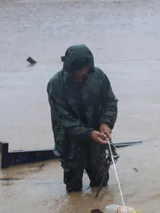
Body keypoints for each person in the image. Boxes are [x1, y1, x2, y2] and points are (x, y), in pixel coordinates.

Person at [47, 44, 119, 192]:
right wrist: (90, 134)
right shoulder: (56, 85)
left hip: (96, 145)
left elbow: (110, 102)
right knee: (74, 191)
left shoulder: (98, 76)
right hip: (70, 145)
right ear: (69, 68)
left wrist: (106, 122)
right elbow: (65, 120)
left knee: (101, 185)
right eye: (79, 69)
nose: (82, 72)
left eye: (85, 68)